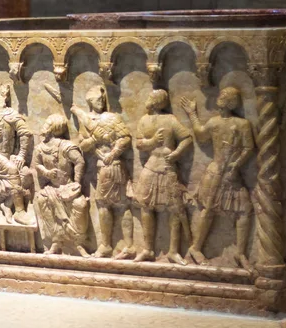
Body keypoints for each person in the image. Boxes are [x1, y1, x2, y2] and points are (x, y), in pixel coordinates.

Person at [181, 88, 255, 267]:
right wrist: (192, 114)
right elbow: (200, 134)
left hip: (231, 172)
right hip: (215, 172)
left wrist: (236, 164)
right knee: (208, 210)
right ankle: (195, 248)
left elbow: (248, 147)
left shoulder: (242, 124)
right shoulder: (214, 122)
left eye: (224, 96)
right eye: (220, 95)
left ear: (231, 102)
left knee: (244, 209)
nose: (219, 98)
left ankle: (240, 253)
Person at [71, 85, 134, 259]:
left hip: (113, 166)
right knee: (105, 204)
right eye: (97, 100)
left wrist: (113, 153)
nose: (101, 102)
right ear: (90, 102)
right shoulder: (87, 122)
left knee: (112, 204)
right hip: (102, 167)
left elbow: (126, 138)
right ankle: (117, 245)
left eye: (102, 99)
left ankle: (114, 245)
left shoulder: (111, 118)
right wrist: (94, 139)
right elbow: (82, 144)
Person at [133, 89, 193, 265]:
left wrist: (176, 154)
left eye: (152, 97)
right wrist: (152, 142)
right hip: (151, 166)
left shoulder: (170, 120)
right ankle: (147, 249)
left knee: (174, 209)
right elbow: (139, 143)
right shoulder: (144, 120)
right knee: (145, 206)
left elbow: (187, 138)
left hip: (167, 167)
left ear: (159, 101)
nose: (149, 99)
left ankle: (173, 251)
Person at [34, 114, 89, 257]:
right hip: (52, 188)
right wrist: (46, 172)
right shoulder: (40, 148)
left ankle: (78, 243)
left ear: (55, 128)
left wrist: (77, 182)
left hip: (68, 187)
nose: (44, 126)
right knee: (42, 199)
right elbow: (37, 164)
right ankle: (56, 242)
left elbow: (79, 162)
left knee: (80, 204)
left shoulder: (66, 146)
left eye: (48, 123)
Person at [0, 83, 32, 225]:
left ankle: (7, 205)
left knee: (26, 173)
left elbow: (25, 133)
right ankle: (20, 212)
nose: (4, 95)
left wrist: (21, 155)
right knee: (13, 170)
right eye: (2, 92)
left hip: (8, 157)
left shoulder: (12, 114)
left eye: (7, 93)